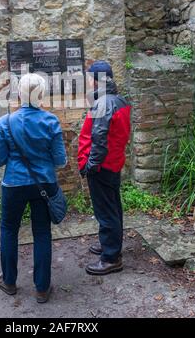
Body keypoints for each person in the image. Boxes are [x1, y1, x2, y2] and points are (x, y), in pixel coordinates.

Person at [0, 73, 66, 303]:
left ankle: (9, 281)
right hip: (43, 182)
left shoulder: (5, 122)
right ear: (42, 94)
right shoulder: (51, 121)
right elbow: (60, 161)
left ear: (20, 94)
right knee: (42, 233)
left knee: (8, 230)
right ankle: (42, 288)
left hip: (14, 183)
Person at [78, 61, 131, 275]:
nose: (88, 81)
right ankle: (109, 243)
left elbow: (99, 139)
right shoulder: (119, 100)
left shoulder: (103, 103)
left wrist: (90, 166)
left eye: (90, 77)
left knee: (106, 210)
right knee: (112, 206)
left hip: (103, 166)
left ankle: (111, 257)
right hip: (113, 162)